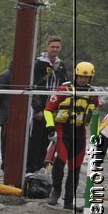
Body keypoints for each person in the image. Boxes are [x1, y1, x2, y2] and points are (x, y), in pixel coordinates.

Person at [44, 61, 105, 209]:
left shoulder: (93, 94)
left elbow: (96, 113)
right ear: (75, 75)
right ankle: (56, 191)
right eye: (80, 77)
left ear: (91, 78)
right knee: (61, 161)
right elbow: (48, 110)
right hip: (62, 129)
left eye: (87, 78)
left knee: (76, 168)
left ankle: (69, 201)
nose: (83, 80)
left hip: (79, 132)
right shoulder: (64, 89)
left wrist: (98, 132)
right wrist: (50, 126)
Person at [27, 35, 67, 175]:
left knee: (47, 139)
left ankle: (40, 168)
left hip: (54, 110)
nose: (55, 49)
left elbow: (65, 87)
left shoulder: (62, 66)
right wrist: (37, 108)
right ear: (47, 47)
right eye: (52, 47)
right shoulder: (38, 64)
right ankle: (30, 168)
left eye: (57, 47)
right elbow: (32, 87)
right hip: (40, 109)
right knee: (35, 141)